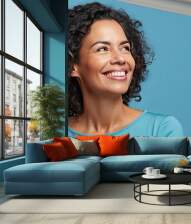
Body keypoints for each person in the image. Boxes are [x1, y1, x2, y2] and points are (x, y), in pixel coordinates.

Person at [67, 2, 183, 137]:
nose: (120, 58)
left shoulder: (161, 129)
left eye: (125, 48)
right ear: (73, 65)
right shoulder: (54, 132)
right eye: (103, 49)